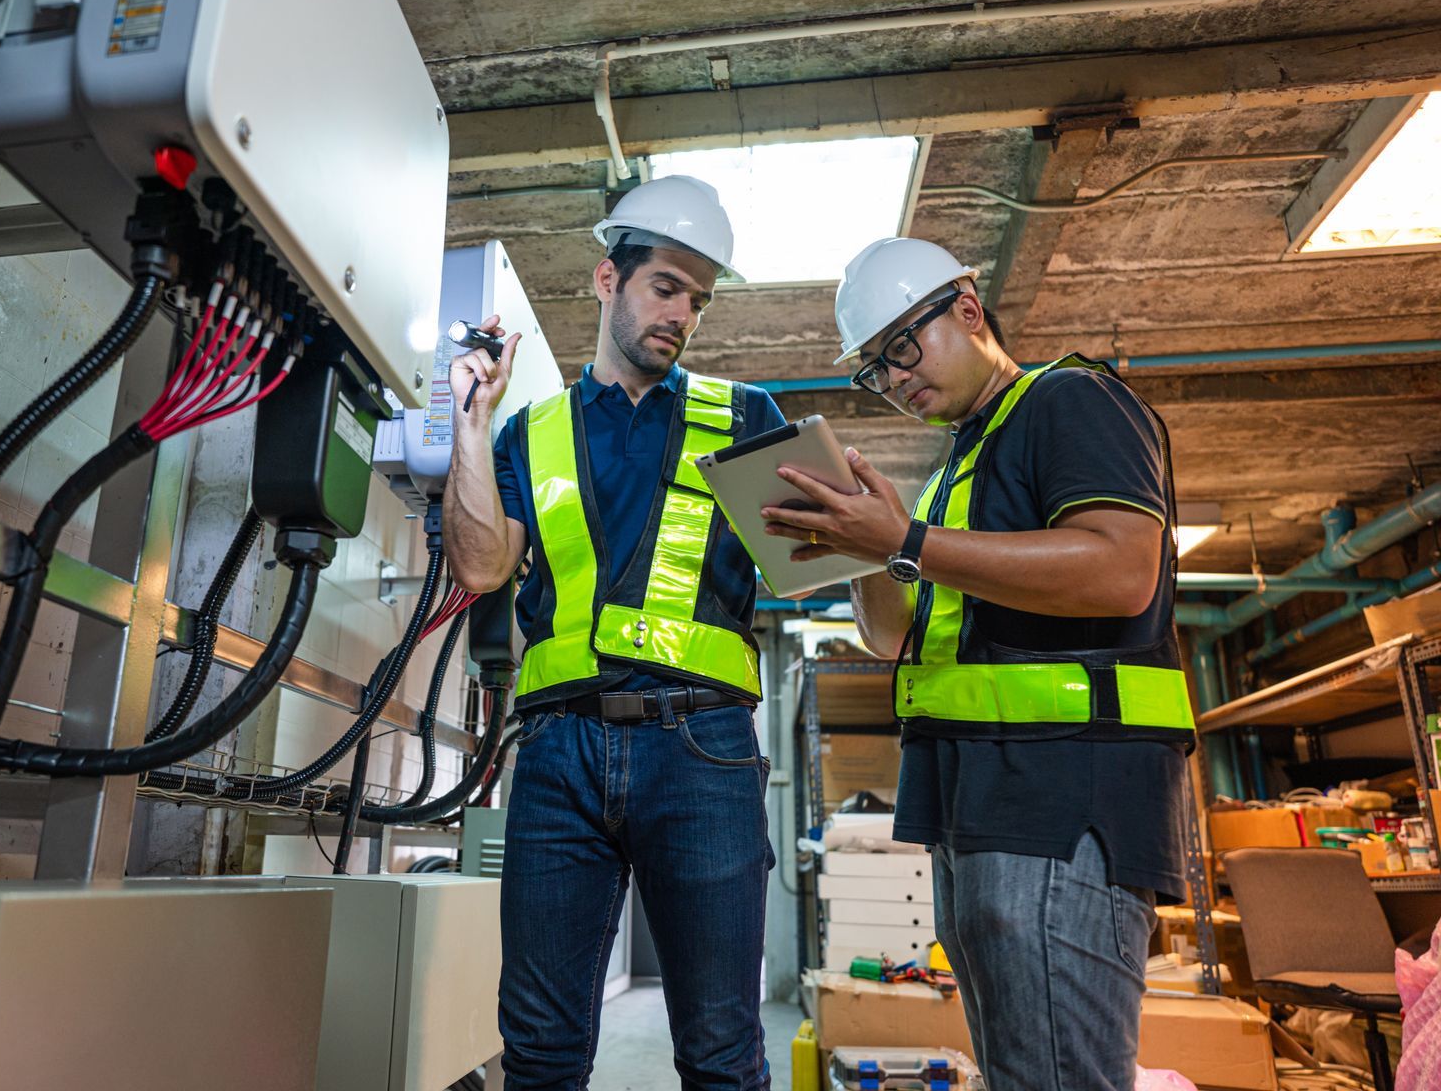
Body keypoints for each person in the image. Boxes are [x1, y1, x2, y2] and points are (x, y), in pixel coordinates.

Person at [761, 236, 1197, 1091]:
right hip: (977, 804)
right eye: (875, 370)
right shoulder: (954, 466)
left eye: (901, 348)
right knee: (1021, 1072)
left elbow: (1119, 569)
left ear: (967, 310)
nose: (894, 380)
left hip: (1065, 798)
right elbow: (895, 641)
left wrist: (909, 542)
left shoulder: (1068, 401)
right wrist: (861, 548)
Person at [444, 175, 787, 1091]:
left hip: (703, 751)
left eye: (698, 299)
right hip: (558, 757)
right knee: (543, 1052)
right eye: (665, 287)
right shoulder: (529, 430)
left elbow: (816, 565)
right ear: (607, 280)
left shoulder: (747, 418)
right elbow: (480, 567)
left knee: (721, 1049)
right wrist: (469, 423)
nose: (683, 314)